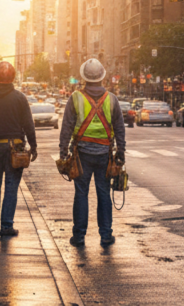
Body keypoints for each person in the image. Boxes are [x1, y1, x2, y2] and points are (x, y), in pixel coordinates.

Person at [59, 57, 125, 248]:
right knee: (103, 194)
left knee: (81, 194)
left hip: (82, 155)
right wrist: (120, 152)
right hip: (105, 154)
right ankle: (106, 235)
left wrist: (63, 152)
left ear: (84, 78)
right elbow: (120, 129)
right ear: (102, 78)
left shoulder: (75, 98)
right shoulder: (112, 99)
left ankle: (79, 236)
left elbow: (66, 127)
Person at [0, 61, 37, 236]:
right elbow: (28, 125)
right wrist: (33, 146)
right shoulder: (19, 98)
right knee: (11, 186)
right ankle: (6, 225)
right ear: (13, 78)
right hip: (15, 148)